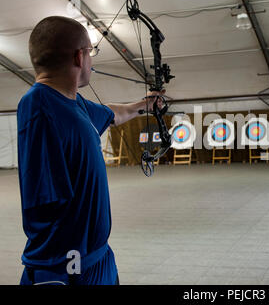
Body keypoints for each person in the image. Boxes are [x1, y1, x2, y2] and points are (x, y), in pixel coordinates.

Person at [17, 16, 163, 285]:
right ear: (79, 57)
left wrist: (145, 104)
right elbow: (44, 202)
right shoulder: (37, 105)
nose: (92, 61)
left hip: (98, 258)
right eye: (91, 53)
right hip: (66, 270)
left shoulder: (77, 105)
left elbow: (112, 114)